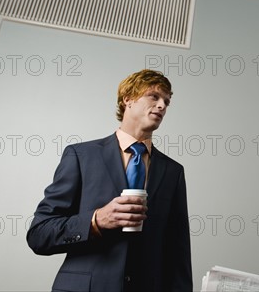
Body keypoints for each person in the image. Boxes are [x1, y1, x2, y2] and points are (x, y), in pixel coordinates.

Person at [27, 69, 192, 292]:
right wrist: (96, 221)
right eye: (154, 96)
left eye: (166, 101)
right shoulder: (81, 155)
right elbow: (40, 234)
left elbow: (177, 251)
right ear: (128, 99)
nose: (162, 105)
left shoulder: (173, 171)